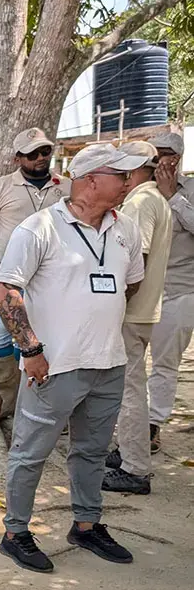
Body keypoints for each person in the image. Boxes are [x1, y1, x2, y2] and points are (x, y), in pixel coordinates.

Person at [0, 143, 146, 574]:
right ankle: (15, 533)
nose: (130, 183)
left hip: (108, 362)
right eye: (122, 176)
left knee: (92, 452)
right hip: (52, 365)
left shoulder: (125, 229)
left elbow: (128, 284)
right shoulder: (39, 228)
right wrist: (31, 349)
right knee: (30, 453)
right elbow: (6, 290)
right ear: (92, 179)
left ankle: (85, 524)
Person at [0, 128, 71, 429]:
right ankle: (5, 400)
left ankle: (48, 408)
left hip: (54, 278)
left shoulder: (65, 187)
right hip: (9, 275)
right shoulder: (1, 187)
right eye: (32, 154)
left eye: (45, 151)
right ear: (18, 158)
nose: (41, 158)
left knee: (47, 338)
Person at [103, 141, 172, 495]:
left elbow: (135, 262)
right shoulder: (156, 199)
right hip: (144, 311)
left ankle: (135, 469)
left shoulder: (142, 202)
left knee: (129, 390)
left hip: (132, 310)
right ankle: (129, 454)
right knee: (130, 386)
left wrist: (112, 302)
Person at [147, 131, 194, 454]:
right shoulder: (138, 189)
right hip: (139, 294)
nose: (157, 160)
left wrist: (172, 197)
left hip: (179, 292)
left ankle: (152, 425)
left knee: (165, 364)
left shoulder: (190, 191)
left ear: (176, 158)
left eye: (163, 154)